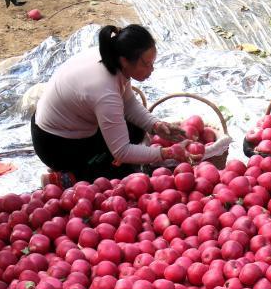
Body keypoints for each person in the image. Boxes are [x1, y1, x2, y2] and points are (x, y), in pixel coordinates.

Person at [31, 24, 187, 185]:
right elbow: (122, 152)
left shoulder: (111, 55)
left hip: (65, 124)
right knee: (120, 175)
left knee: (136, 130)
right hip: (55, 144)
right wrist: (167, 153)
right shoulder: (105, 91)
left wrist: (155, 125)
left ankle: (85, 164)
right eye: (146, 64)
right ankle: (65, 177)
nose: (151, 69)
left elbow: (128, 103)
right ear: (125, 61)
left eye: (152, 63)